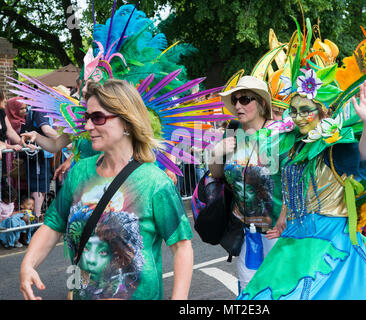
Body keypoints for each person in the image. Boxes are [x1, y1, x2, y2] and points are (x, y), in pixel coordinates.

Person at [238, 80, 366, 300]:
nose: (298, 117)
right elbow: (293, 186)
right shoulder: (293, 146)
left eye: (306, 110)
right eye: (294, 111)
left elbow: (365, 155)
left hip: (330, 245)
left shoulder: (335, 147)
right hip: (293, 241)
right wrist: (285, 215)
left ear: (323, 112)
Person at [19, 79, 193, 300]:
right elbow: (53, 224)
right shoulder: (79, 172)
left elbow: (182, 247)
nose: (88, 126)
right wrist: (28, 264)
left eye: (98, 117)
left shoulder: (155, 182)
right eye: (87, 118)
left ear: (127, 122)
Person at [209, 75, 287, 293]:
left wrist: (284, 217)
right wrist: (216, 153)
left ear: (261, 103)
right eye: (235, 100)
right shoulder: (233, 130)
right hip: (244, 230)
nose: (237, 105)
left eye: (245, 100)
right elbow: (217, 174)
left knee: (278, 290)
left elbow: (295, 179)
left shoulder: (279, 134)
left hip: (276, 232)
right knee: (249, 291)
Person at [0, 184, 29, 248]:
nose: (15, 199)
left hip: (12, 218)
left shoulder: (11, 203)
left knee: (23, 219)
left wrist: (19, 212)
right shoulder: (1, 205)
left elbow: (12, 213)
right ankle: (12, 242)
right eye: (13, 198)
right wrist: (11, 215)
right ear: (5, 199)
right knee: (12, 221)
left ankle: (24, 238)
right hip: (4, 222)